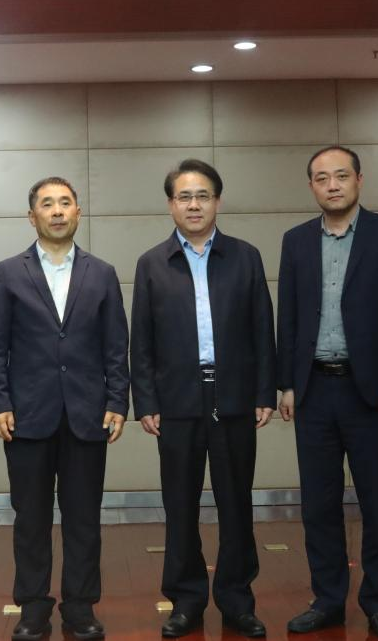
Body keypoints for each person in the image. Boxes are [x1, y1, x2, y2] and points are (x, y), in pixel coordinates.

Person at [276, 145, 378, 640]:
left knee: (377, 502)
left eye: (341, 176)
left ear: (359, 179)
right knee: (318, 505)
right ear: (311, 187)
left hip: (372, 392)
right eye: (322, 178)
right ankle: (328, 600)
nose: (332, 185)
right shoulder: (295, 241)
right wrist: (286, 383)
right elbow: (288, 316)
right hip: (313, 389)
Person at [130, 158, 276, 639]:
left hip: (233, 394)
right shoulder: (152, 263)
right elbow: (141, 341)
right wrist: (146, 401)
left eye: (203, 196)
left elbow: (262, 329)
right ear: (171, 204)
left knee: (236, 503)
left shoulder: (245, 257)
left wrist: (264, 391)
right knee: (180, 505)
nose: (194, 205)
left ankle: (237, 600)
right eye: (184, 197)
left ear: (217, 201)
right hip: (176, 400)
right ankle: (186, 600)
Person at [0, 177, 130, 641]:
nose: (58, 211)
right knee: (30, 519)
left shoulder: (102, 273)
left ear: (78, 213)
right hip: (26, 416)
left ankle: (80, 607)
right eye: (47, 204)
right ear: (33, 217)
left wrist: (117, 400)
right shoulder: (9, 273)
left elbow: (116, 345)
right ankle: (32, 608)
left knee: (84, 518)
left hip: (88, 413)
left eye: (65, 202)